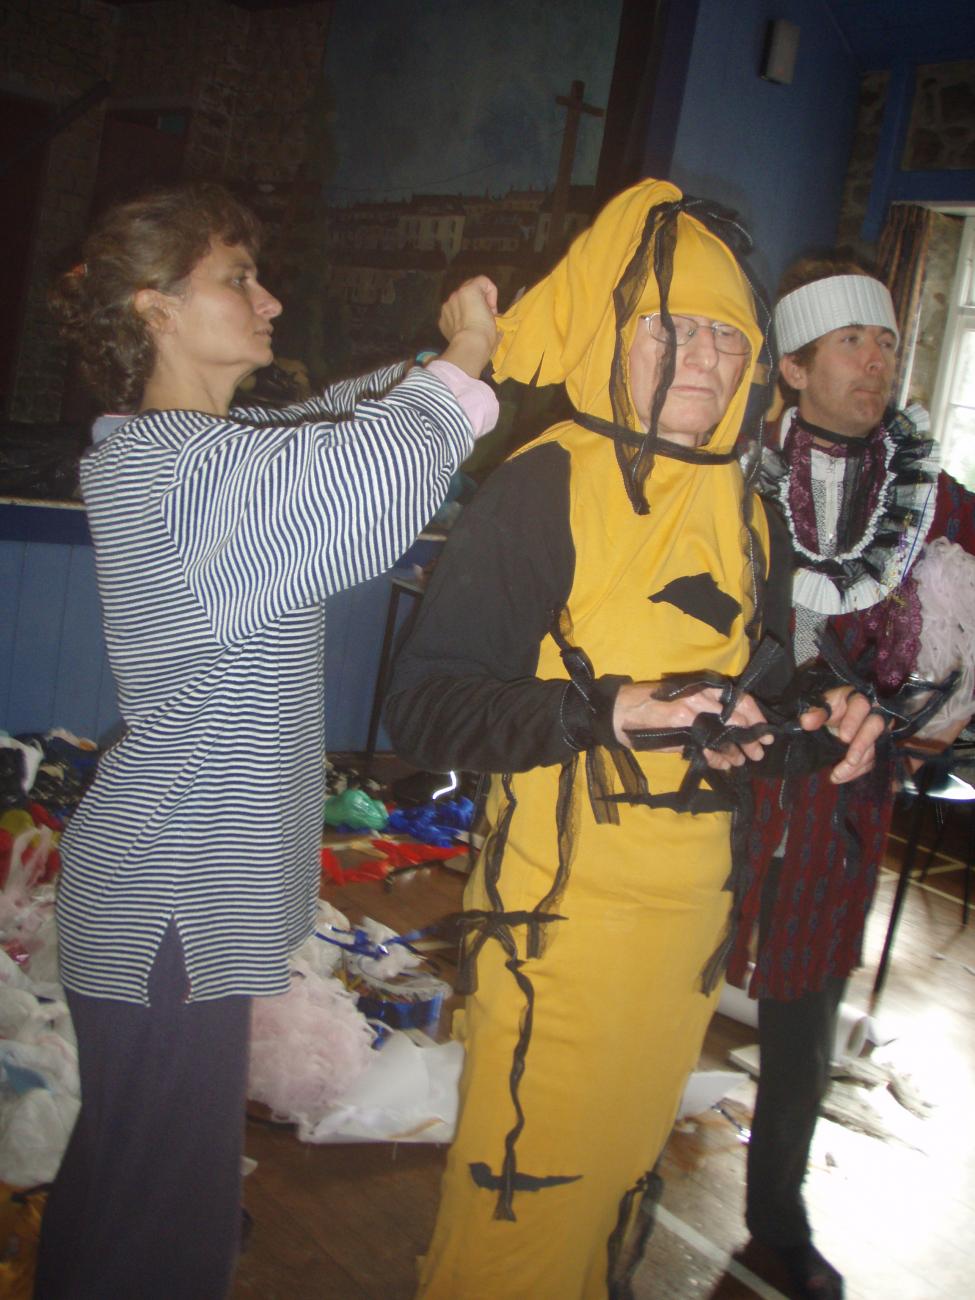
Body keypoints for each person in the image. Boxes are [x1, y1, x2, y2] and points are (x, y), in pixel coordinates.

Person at [385, 181, 883, 1300]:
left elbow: (751, 683)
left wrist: (821, 713)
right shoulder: (541, 485)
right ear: (616, 335)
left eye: (724, 333)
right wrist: (597, 711)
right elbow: (424, 705)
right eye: (671, 328)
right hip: (559, 924)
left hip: (693, 929)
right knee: (527, 1200)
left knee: (611, 1195)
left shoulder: (746, 504)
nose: (703, 359)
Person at [36, 181, 499, 1299]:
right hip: (169, 902)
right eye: (237, 277)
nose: (271, 298)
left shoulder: (202, 451)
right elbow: (362, 477)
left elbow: (324, 428)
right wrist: (465, 361)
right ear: (155, 309)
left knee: (126, 1182)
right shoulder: (177, 473)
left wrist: (443, 366)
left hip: (169, 889)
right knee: (169, 1226)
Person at [729, 257, 975, 1300]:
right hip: (724, 787)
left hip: (844, 801)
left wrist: (939, 718)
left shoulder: (944, 507)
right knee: (666, 979)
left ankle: (777, 1219)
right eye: (850, 343)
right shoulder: (723, 475)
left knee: (807, 1008)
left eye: (885, 340)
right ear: (792, 365)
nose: (878, 360)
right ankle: (619, 1173)